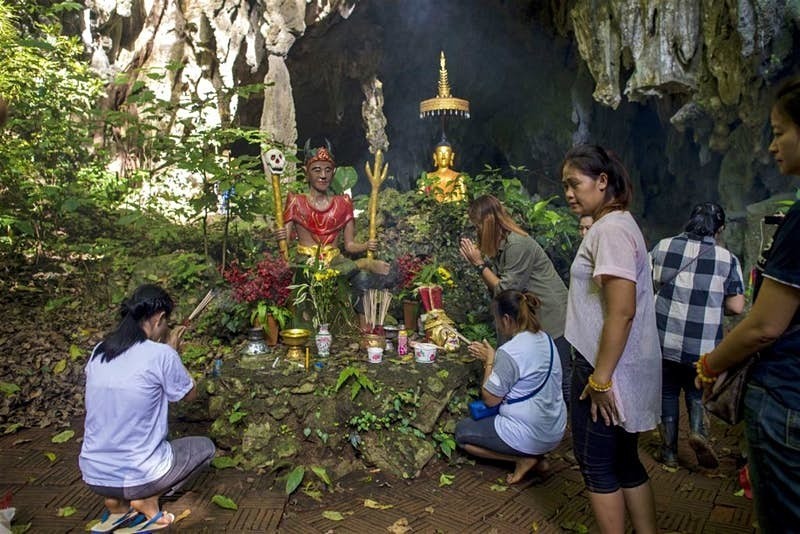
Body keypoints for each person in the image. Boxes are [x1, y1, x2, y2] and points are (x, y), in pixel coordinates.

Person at [696, 77, 800, 533]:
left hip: (786, 397)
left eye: (779, 132)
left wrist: (710, 365)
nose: (772, 146)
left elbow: (764, 325)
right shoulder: (722, 259)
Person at [561, 144, 660, 534]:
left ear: (602, 181)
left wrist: (600, 379)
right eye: (564, 186)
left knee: (597, 464)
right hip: (615, 364)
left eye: (574, 184)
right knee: (623, 461)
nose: (568, 193)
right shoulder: (616, 224)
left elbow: (621, 310)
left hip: (603, 368)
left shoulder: (612, 230)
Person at [79, 284, 215, 532]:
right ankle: (147, 499)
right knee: (206, 448)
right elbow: (189, 395)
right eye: (166, 324)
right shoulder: (161, 354)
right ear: (159, 318)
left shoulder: (100, 350)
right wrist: (173, 352)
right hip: (141, 475)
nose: (165, 331)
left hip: (93, 473)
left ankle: (115, 502)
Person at [650, 202, 745, 469]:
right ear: (720, 228)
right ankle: (698, 433)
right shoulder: (727, 259)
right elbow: (737, 306)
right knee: (695, 391)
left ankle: (668, 452)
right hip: (702, 347)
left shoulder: (663, 246)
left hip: (663, 340)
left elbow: (648, 285)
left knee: (667, 392)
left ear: (690, 221)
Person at [459, 194, 571, 405]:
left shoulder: (517, 245)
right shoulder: (503, 245)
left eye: (477, 226)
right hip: (534, 315)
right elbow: (498, 291)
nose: (476, 232)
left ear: (488, 222)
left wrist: (479, 264)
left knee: (560, 374)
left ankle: (568, 429)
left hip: (552, 313)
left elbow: (505, 289)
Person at [276, 142, 393, 328]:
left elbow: (349, 245)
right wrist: (280, 234)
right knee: (312, 275)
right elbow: (285, 244)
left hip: (335, 259)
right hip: (306, 260)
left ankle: (365, 327)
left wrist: (366, 246)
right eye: (316, 170)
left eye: (328, 170)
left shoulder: (343, 203)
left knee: (363, 278)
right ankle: (364, 263)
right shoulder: (296, 201)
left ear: (334, 172)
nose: (323, 175)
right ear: (306, 172)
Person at [455, 289, 567, 484]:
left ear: (506, 319)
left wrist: (490, 359)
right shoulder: (545, 339)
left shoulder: (509, 352)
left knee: (462, 433)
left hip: (528, 431)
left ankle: (522, 458)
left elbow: (490, 399)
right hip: (555, 428)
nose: (497, 324)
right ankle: (535, 455)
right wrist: (496, 358)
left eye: (497, 319)